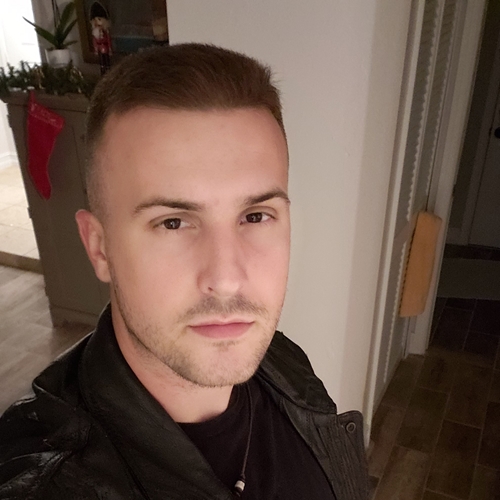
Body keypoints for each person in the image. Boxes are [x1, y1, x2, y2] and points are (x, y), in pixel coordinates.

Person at [0, 44, 369, 499]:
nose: (227, 279)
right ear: (99, 248)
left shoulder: (283, 363)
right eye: (173, 223)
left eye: (255, 216)